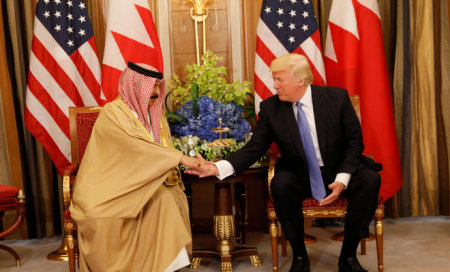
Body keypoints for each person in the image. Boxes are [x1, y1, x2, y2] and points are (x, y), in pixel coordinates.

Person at [186, 53, 381, 272]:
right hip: (299, 173)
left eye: (280, 79)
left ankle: (348, 257)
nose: (274, 84)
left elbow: (354, 142)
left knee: (370, 179)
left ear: (301, 80)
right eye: (274, 78)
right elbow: (254, 148)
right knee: (280, 184)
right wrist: (217, 167)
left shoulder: (336, 98)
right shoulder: (271, 108)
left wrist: (343, 179)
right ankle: (300, 257)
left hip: (336, 169)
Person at [70, 62, 202, 272]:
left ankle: (165, 266)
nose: (158, 93)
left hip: (147, 182)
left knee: (166, 199)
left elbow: (160, 149)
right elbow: (136, 149)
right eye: (153, 87)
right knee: (158, 202)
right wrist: (182, 159)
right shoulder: (112, 113)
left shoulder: (154, 114)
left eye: (159, 86)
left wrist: (183, 160)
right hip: (108, 187)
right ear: (135, 87)